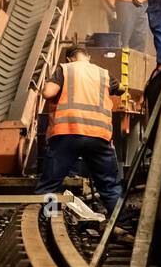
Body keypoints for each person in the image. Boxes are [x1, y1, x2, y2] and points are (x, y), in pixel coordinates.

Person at [34, 47, 122, 216]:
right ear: (88, 57)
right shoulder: (103, 73)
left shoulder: (65, 69)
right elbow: (120, 89)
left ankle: (49, 217)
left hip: (68, 132)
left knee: (50, 185)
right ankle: (121, 225)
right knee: (109, 186)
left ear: (69, 59)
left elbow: (48, 92)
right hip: (99, 135)